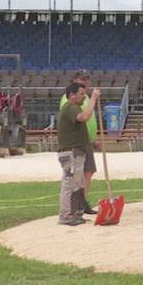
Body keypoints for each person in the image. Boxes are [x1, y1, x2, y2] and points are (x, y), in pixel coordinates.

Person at [56, 82, 101, 226]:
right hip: (71, 153)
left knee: (77, 184)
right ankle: (66, 215)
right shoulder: (70, 107)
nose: (84, 97)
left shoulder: (73, 107)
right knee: (70, 184)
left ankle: (75, 213)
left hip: (77, 151)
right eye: (82, 94)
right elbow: (84, 117)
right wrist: (93, 99)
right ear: (72, 95)